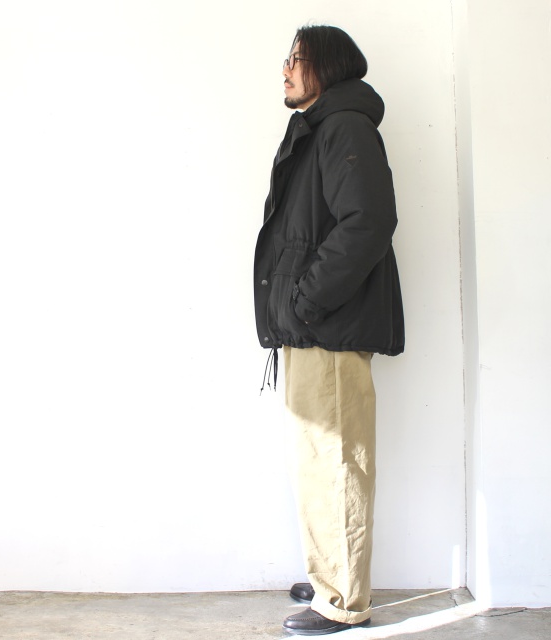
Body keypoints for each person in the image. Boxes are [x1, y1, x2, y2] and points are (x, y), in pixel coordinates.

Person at [253, 25, 404, 635]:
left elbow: (367, 223)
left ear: (328, 66)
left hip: (328, 327)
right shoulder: (321, 128)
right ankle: (329, 575)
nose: (286, 69)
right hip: (311, 327)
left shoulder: (344, 127)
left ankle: (342, 600)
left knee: (337, 463)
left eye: (297, 59)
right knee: (317, 461)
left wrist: (306, 301)